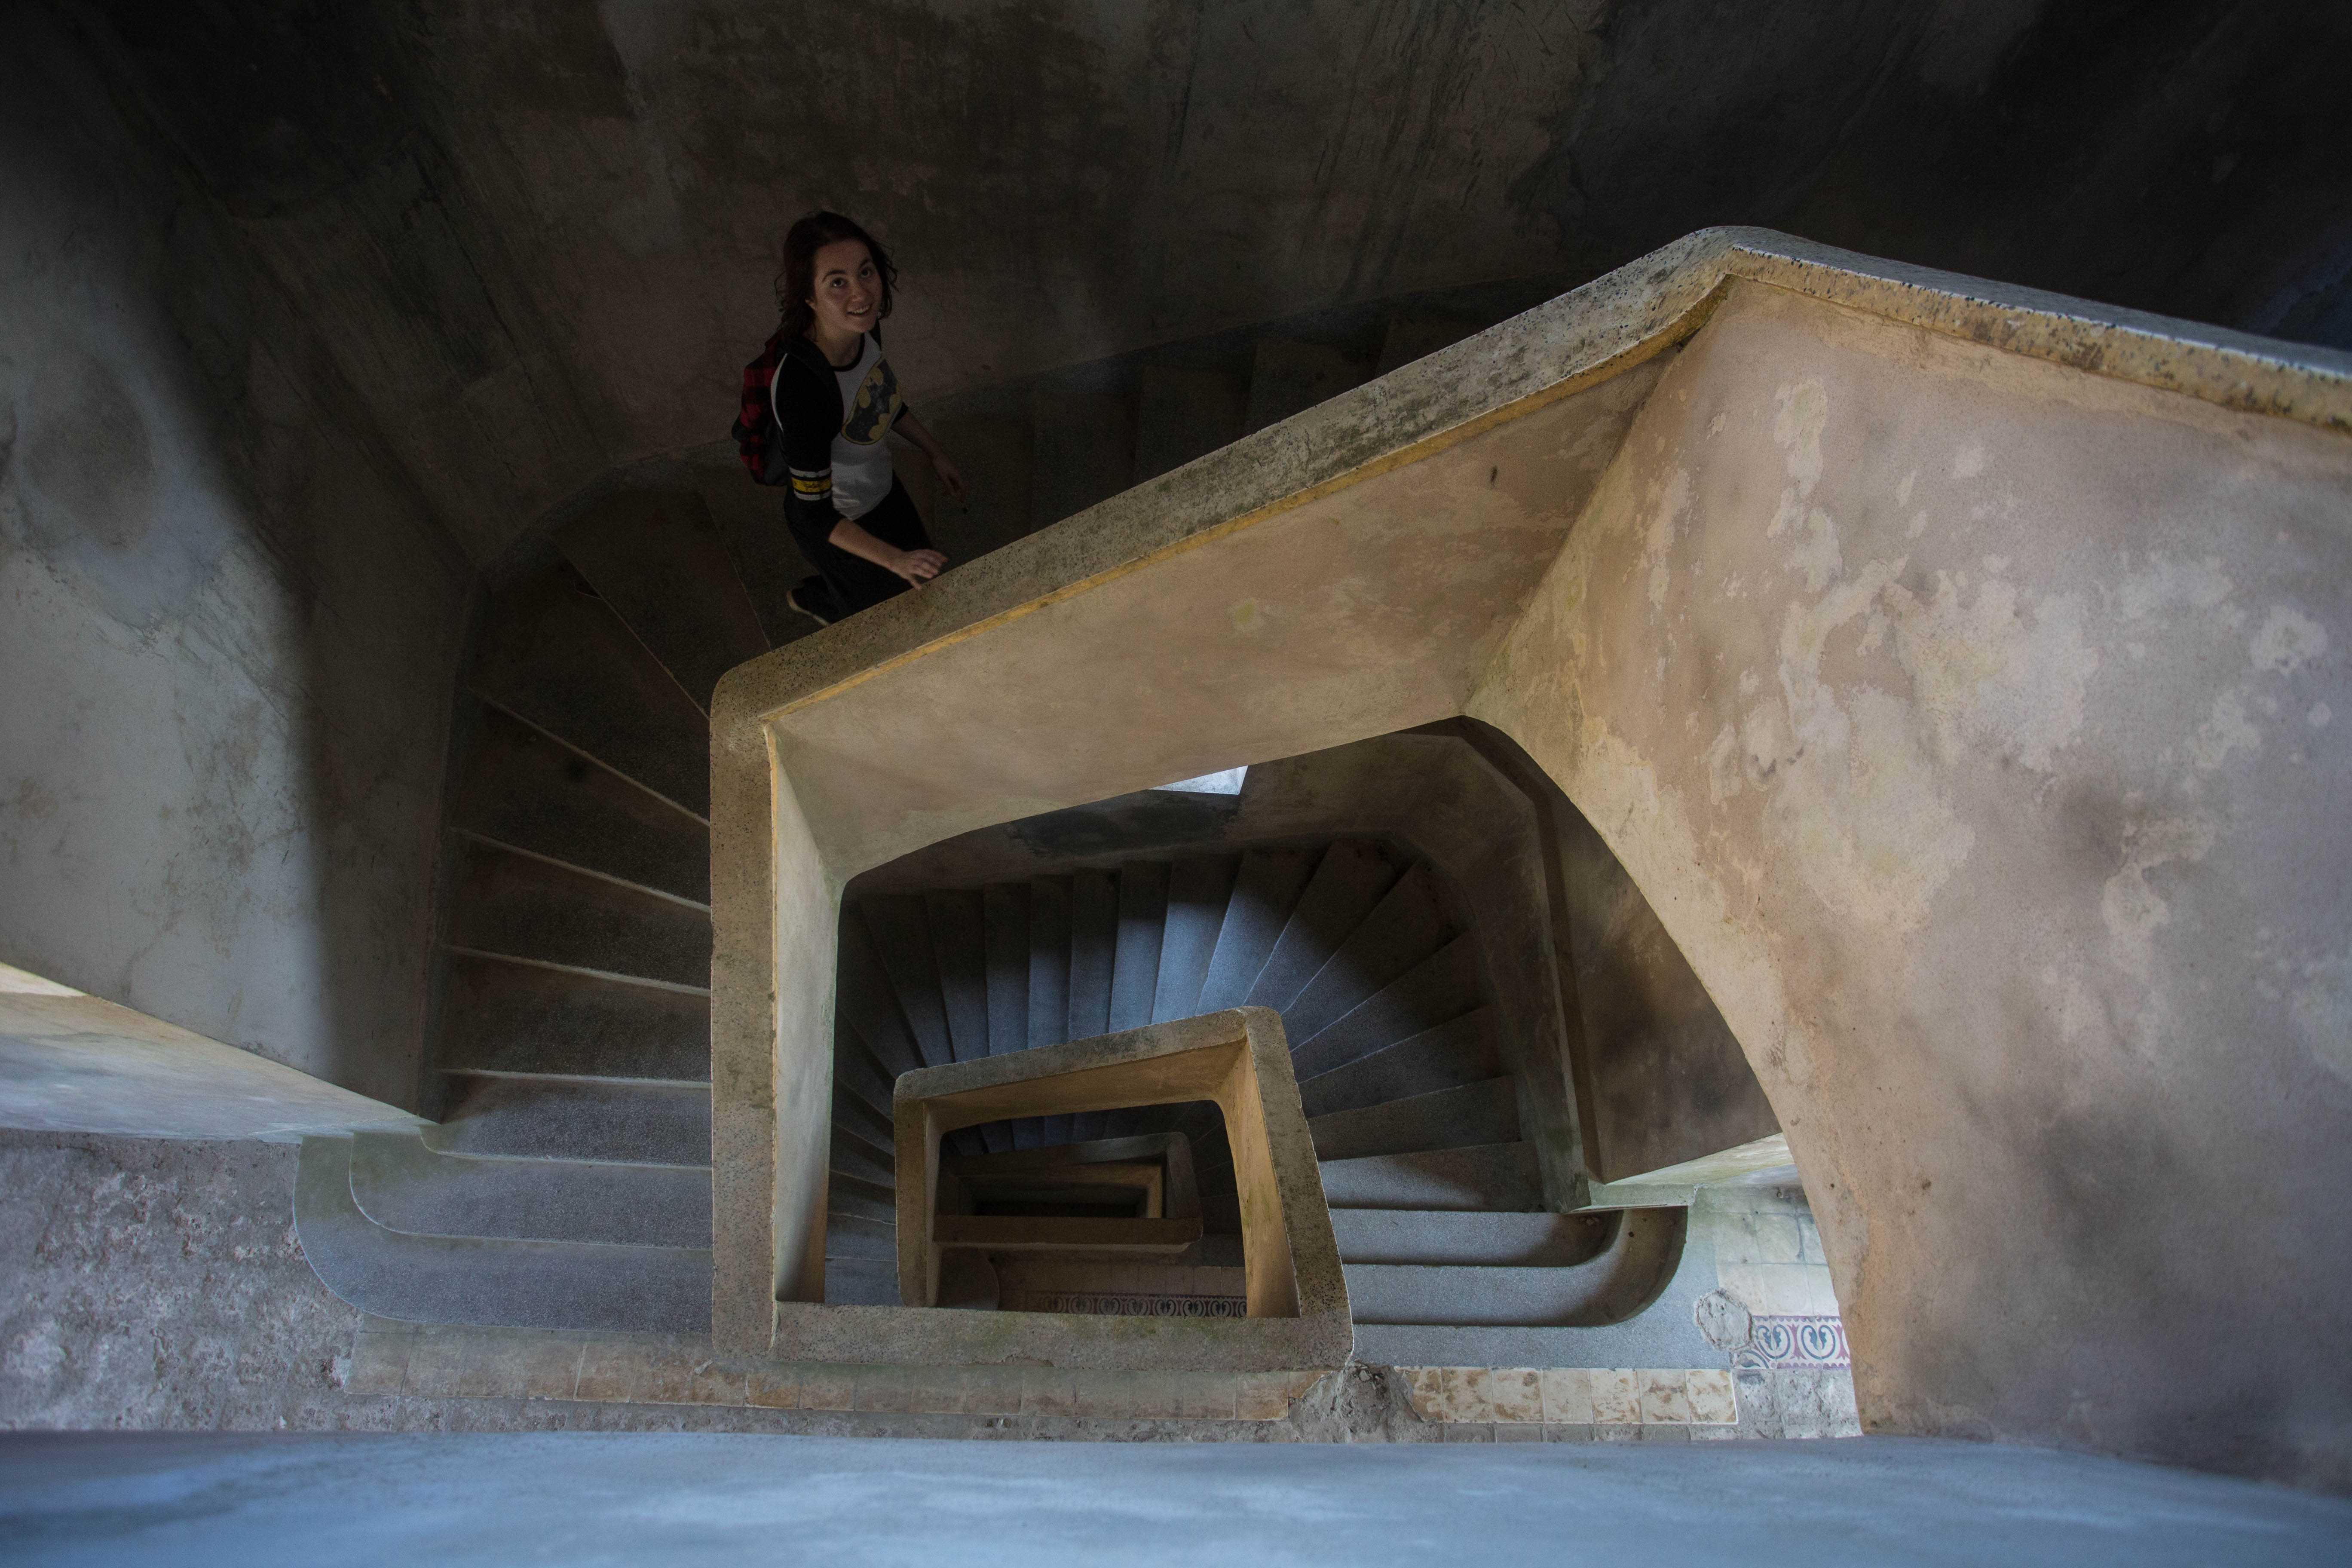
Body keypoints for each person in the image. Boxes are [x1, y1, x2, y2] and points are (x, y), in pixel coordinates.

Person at [765, 211, 965, 627]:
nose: (862, 294)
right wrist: (894, 559)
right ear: (809, 297)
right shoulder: (801, 389)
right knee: (878, 615)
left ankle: (822, 591)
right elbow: (812, 513)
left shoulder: (862, 330)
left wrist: (935, 453)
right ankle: (819, 600)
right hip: (840, 521)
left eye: (866, 272)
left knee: (918, 584)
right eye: (838, 282)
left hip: (884, 494)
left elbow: (880, 405)